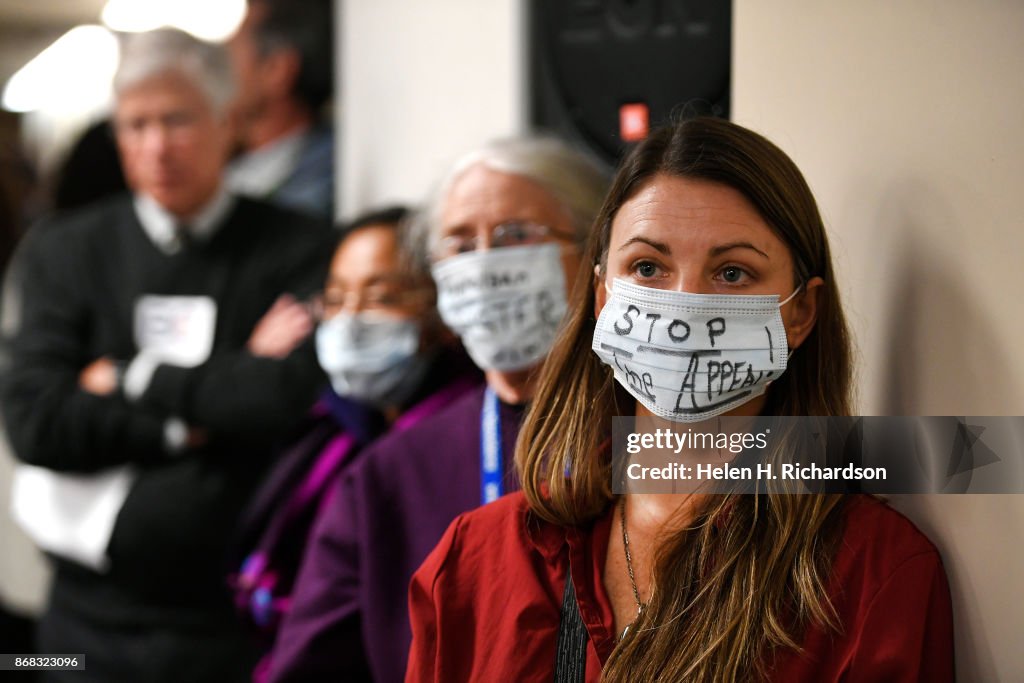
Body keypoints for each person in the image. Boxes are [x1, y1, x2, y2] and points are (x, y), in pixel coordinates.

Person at [406, 118, 955, 682]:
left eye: (732, 272)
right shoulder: (475, 560)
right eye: (647, 267)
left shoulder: (871, 572)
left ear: (800, 313)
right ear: (601, 297)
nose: (685, 306)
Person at [0, 29, 333, 682]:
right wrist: (201, 411)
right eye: (136, 124)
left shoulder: (299, 247)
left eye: (177, 119)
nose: (156, 145)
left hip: (235, 627)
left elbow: (283, 400)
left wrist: (127, 376)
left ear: (226, 121)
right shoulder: (64, 251)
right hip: (80, 632)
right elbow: (36, 420)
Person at [267, 136, 608, 682]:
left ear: (597, 252)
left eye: (515, 235)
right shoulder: (391, 473)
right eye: (459, 244)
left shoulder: (658, 433)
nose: (485, 266)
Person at [228, 207, 480, 681]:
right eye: (336, 298)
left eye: (381, 297)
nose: (350, 320)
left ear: (440, 310)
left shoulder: (463, 441)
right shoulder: (329, 428)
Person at [227, 0, 334, 219]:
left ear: (277, 70)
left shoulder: (323, 182)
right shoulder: (221, 164)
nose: (215, 75)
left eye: (230, 56)